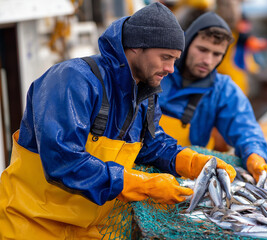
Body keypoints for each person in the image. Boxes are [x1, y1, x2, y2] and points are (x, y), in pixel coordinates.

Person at [0, 3, 235, 239]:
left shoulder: (146, 94)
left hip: (87, 230)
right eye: (165, 57)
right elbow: (63, 160)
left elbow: (151, 145)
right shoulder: (72, 79)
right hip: (30, 225)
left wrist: (192, 162)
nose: (171, 69)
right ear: (136, 47)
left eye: (174, 59)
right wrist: (141, 184)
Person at [158, 12, 267, 183]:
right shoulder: (156, 73)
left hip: (191, 177)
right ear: (186, 43)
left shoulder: (223, 90)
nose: (207, 60)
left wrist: (254, 155)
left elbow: (246, 129)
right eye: (202, 49)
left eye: (217, 54)